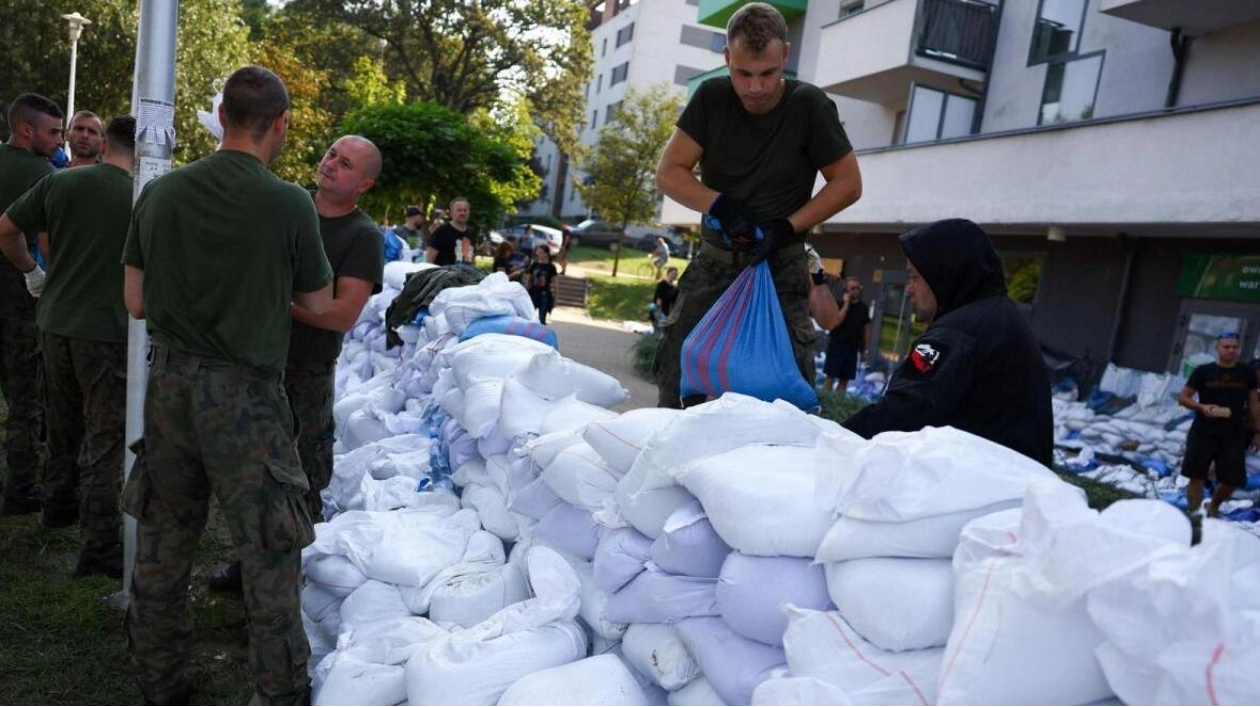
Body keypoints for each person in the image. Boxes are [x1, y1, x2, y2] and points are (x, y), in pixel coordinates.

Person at [121, 65, 333, 707]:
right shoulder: (290, 203)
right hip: (247, 398)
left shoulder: (159, 195)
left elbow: (134, 302)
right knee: (270, 552)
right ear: (282, 123)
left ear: (222, 113)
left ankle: (160, 681)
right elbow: (319, 299)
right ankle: (280, 692)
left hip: (172, 388)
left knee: (163, 541)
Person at [653, 2, 862, 409]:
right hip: (713, 264)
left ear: (785, 54)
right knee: (679, 389)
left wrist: (788, 226)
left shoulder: (809, 106)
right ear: (727, 58)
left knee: (783, 405)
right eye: (743, 74)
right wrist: (720, 206)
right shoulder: (712, 98)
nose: (756, 88)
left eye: (768, 73)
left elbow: (848, 184)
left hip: (780, 269)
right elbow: (670, 172)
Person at [210, 135, 385, 593]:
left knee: (300, 476)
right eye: (330, 154)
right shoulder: (289, 206)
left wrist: (275, 300)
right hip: (254, 361)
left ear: (364, 184)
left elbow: (342, 315)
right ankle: (247, 564)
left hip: (305, 372)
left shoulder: (362, 237)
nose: (330, 165)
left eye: (345, 164)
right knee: (248, 468)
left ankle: (288, 576)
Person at [0, 115, 135, 577]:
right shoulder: (140, 196)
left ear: (106, 142)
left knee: (61, 420)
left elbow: (6, 228)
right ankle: (98, 545)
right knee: (104, 438)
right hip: (107, 330)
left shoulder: (61, 183)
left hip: (55, 321)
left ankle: (58, 505)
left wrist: (33, 274)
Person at [842, 219, 1054, 467]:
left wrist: (835, 440)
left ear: (944, 274)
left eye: (914, 277)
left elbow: (901, 413)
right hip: (1012, 482)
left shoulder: (957, 333)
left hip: (986, 486)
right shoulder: (996, 315)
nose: (908, 289)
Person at [0, 92, 63, 516]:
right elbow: (43, 240)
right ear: (26, 130)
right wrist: (33, 273)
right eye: (53, 132)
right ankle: (21, 488)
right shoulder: (42, 175)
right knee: (25, 395)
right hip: (15, 289)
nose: (59, 141)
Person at [1176, 332, 1260, 519]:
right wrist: (1201, 406)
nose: (1231, 350)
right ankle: (1194, 514)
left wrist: (1257, 431)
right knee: (1196, 474)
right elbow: (1183, 398)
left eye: (1234, 347)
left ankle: (1213, 506)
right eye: (1226, 346)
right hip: (1203, 430)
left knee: (1233, 479)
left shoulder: (1246, 373)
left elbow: (1254, 403)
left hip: (1234, 431)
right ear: (1217, 348)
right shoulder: (1203, 371)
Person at [822, 277, 871, 393]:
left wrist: (865, 349)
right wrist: (846, 304)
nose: (856, 290)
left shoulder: (863, 308)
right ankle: (825, 401)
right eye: (853, 288)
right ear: (846, 291)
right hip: (836, 347)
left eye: (858, 288)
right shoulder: (838, 304)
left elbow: (867, 329)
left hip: (852, 349)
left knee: (844, 380)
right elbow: (837, 321)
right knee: (830, 378)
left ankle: (838, 405)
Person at [426, 196, 475, 265]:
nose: (463, 213)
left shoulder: (471, 233)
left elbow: (472, 258)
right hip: (444, 274)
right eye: (459, 210)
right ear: (451, 213)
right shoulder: (441, 231)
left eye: (465, 210)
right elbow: (429, 260)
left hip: (465, 274)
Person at [527, 245, 559, 324]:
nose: (538, 254)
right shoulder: (534, 265)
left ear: (546, 254)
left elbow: (555, 283)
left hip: (544, 293)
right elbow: (529, 279)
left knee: (542, 318)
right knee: (529, 316)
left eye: (541, 252)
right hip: (533, 291)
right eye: (537, 252)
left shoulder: (551, 267)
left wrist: (555, 297)